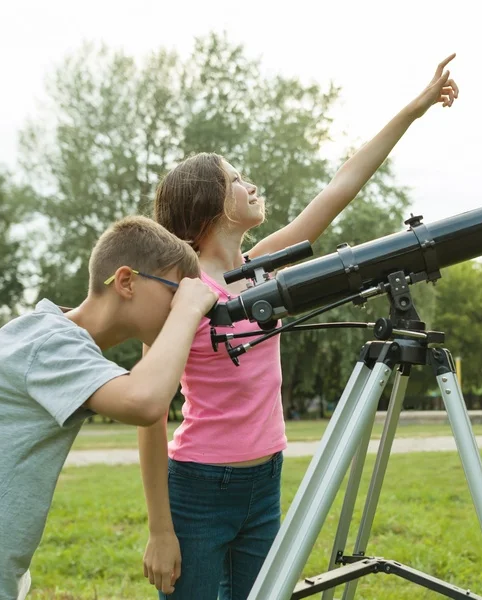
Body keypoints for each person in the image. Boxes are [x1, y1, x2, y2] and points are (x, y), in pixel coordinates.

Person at [137, 54, 461, 599]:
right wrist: (159, 530)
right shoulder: (176, 298)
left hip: (265, 481)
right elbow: (149, 418)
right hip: (198, 488)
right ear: (208, 209)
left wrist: (415, 108)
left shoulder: (263, 271)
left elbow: (341, 186)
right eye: (236, 180)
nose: (251, 185)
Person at [0, 216, 218, 600]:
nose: (183, 305)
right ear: (126, 281)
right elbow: (144, 402)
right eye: (175, 291)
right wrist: (188, 310)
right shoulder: (45, 343)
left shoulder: (52, 338)